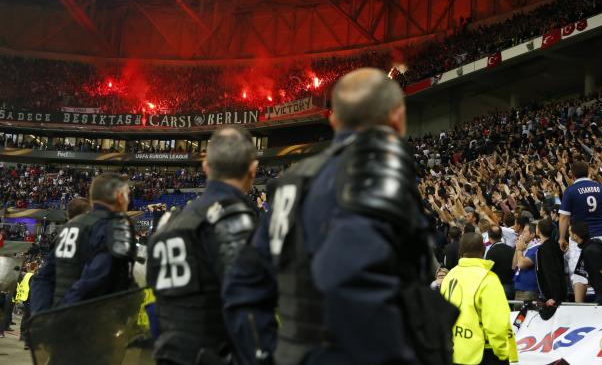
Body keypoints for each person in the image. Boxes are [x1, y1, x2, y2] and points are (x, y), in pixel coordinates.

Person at [223, 68, 457, 365]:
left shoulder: (289, 185)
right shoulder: (383, 180)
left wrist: (267, 352)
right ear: (398, 119)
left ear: (333, 120)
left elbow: (243, 282)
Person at [147, 127, 259, 365]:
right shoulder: (232, 219)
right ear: (253, 170)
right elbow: (250, 310)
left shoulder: (168, 222)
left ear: (206, 167)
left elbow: (158, 302)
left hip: (168, 354)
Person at [31, 175, 136, 311]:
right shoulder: (115, 226)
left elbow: (43, 277)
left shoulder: (69, 226)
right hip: (92, 321)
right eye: (127, 195)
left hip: (57, 321)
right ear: (120, 196)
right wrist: (63, 314)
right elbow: (97, 279)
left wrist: (43, 316)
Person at [441, 233, 517, 365]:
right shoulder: (488, 279)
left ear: (460, 251)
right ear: (483, 250)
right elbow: (497, 322)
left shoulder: (450, 276)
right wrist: (503, 352)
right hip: (483, 353)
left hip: (454, 351)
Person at [558, 161, 602, 301]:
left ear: (572, 174)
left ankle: (579, 305)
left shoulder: (570, 190)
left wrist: (561, 237)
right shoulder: (601, 188)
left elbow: (564, 217)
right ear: (588, 171)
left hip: (579, 237)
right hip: (600, 235)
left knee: (579, 273)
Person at [30, 197, 92, 314]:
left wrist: (41, 313)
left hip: (56, 306)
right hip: (76, 308)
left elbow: (44, 276)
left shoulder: (61, 236)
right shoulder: (87, 235)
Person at [571, 221, 602, 305]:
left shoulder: (590, 250)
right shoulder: (595, 243)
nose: (570, 236)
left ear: (575, 236)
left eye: (570, 233)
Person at [535, 218, 567, 305]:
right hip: (557, 293)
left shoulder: (545, 249)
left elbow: (551, 273)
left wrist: (555, 297)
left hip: (553, 297)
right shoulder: (555, 245)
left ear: (538, 230)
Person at [485, 226, 515, 300]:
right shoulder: (511, 249)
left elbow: (488, 271)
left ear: (489, 237)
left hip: (498, 288)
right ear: (501, 235)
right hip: (512, 287)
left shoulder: (491, 252)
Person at [513, 222, 539, 301]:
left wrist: (519, 249)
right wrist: (517, 247)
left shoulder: (537, 247)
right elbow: (514, 265)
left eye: (524, 231)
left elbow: (521, 264)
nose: (522, 234)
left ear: (532, 234)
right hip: (518, 287)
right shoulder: (524, 247)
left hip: (529, 289)